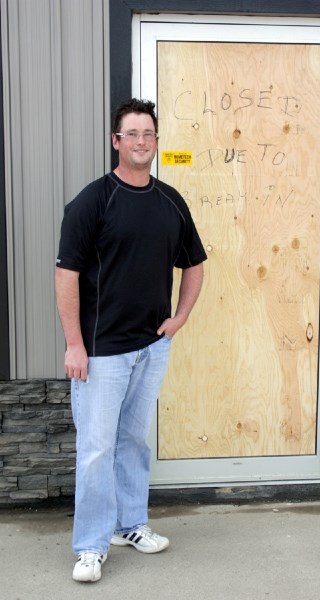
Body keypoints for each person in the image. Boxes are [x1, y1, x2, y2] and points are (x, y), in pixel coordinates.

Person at [55, 98, 207, 583]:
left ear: (156, 142)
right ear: (116, 142)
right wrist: (74, 345)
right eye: (132, 134)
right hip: (101, 353)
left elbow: (195, 263)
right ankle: (92, 547)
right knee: (97, 449)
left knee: (133, 442)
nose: (141, 142)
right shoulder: (92, 202)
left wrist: (179, 318)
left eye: (149, 134)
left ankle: (130, 525)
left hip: (150, 347)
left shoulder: (170, 201)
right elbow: (66, 275)